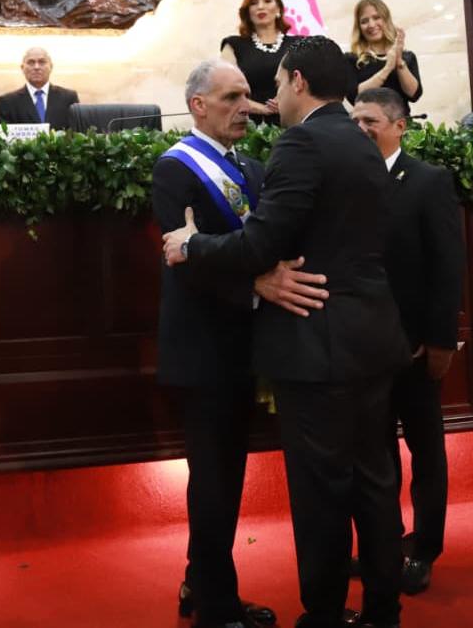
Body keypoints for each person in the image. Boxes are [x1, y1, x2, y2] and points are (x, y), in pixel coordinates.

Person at [163, 36, 411, 628]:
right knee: (375, 482)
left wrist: (192, 245)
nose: (264, 99)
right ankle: (383, 610)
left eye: (272, 83)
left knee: (322, 492)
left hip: (317, 344)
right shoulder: (364, 141)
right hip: (372, 338)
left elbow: (261, 243)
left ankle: (323, 614)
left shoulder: (301, 142)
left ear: (298, 81)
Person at [154, 59, 336, 628]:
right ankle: (217, 608)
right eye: (230, 98)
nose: (245, 108)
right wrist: (254, 285)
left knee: (225, 475)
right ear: (198, 105)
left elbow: (261, 243)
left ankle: (199, 581)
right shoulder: (175, 168)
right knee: (215, 480)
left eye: (247, 96)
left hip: (251, 344)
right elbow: (183, 258)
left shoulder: (254, 166)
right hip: (205, 348)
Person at [352, 88, 464, 596]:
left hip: (416, 350)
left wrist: (440, 342)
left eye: (370, 121)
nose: (360, 130)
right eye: (355, 121)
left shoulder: (428, 181)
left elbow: (447, 267)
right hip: (364, 349)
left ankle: (424, 549)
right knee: (374, 455)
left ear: (400, 126)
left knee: (426, 452)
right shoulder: (347, 181)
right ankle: (383, 545)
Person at [220, 0, 296, 125]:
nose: (260, 6)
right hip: (249, 125)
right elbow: (224, 88)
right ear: (247, 11)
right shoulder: (233, 45)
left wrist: (286, 102)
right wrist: (262, 109)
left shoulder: (298, 44)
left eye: (267, 1)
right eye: (254, 3)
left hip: (293, 123)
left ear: (278, 8)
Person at [345, 0, 422, 116]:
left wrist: (399, 62)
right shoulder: (352, 59)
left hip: (401, 124)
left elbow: (414, 95)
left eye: (376, 18)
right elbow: (354, 96)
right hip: (367, 125)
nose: (371, 25)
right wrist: (387, 68)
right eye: (364, 21)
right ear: (359, 27)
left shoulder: (407, 57)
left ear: (386, 19)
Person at [0, 47, 80, 129]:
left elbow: (77, 131)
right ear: (22, 68)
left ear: (51, 67)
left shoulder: (69, 98)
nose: (36, 67)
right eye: (31, 62)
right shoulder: (7, 102)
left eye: (42, 62)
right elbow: (2, 135)